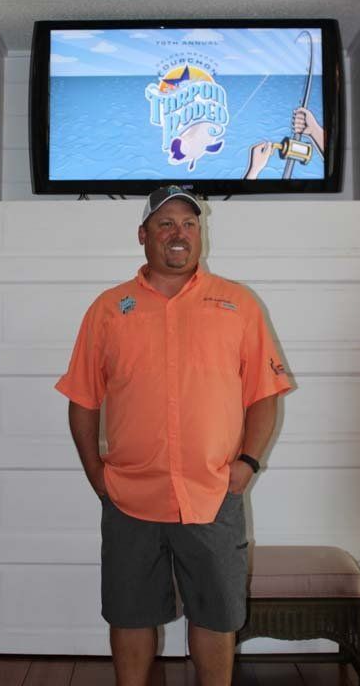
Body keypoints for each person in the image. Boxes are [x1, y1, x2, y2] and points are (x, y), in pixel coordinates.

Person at [55, 186, 291, 686]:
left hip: (213, 493)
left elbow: (264, 394)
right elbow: (83, 399)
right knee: (130, 613)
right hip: (129, 497)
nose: (178, 233)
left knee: (216, 615)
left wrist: (247, 464)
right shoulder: (108, 309)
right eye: (165, 224)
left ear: (200, 233)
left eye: (189, 223)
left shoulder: (239, 304)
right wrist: (97, 474)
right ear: (143, 235)